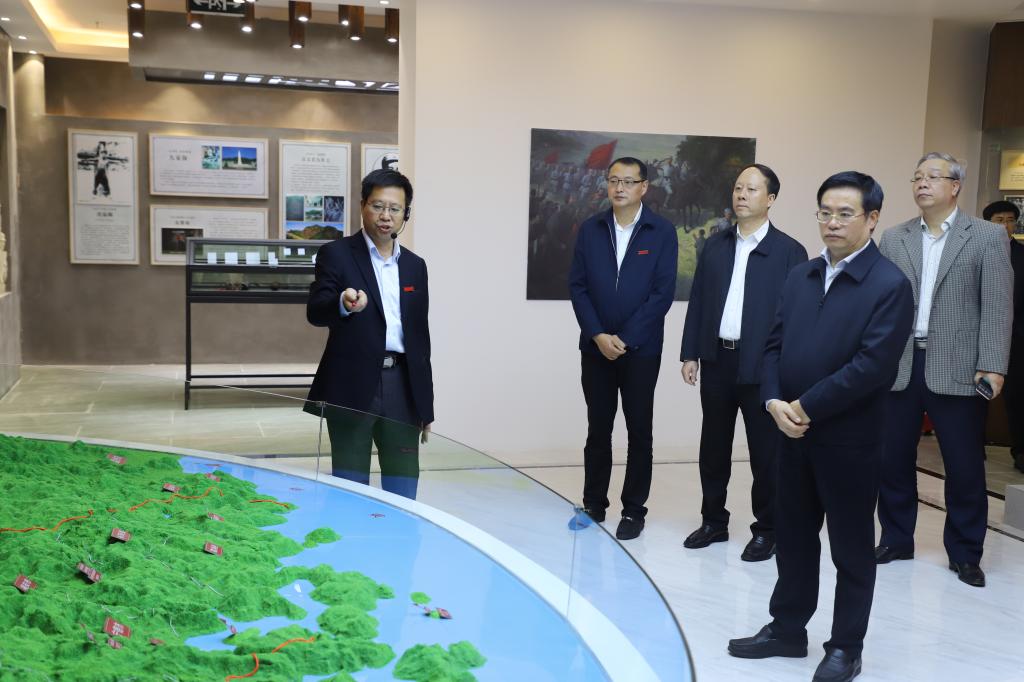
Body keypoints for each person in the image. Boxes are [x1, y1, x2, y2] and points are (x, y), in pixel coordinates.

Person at [728, 171, 913, 682]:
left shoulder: (889, 285)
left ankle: (845, 647)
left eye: (845, 213)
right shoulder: (801, 275)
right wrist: (773, 401)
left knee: (851, 549)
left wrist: (805, 407)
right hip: (791, 434)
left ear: (872, 219)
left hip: (849, 442)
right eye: (825, 212)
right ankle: (787, 629)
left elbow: (872, 366)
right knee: (793, 538)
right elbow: (772, 345)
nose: (832, 222)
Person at [876, 153, 1014, 587]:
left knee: (964, 465)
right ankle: (896, 538)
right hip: (900, 364)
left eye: (932, 176)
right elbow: (880, 305)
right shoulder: (894, 238)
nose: (922, 183)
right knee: (892, 459)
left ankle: (966, 552)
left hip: (959, 366)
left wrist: (992, 365)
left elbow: (997, 306)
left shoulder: (987, 236)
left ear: (955, 186)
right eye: (917, 177)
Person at [679, 164, 807, 561]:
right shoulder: (716, 245)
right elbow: (698, 301)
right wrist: (690, 352)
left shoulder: (790, 252)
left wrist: (787, 369)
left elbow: (797, 317)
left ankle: (767, 530)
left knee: (766, 455)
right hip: (717, 360)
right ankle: (713, 522)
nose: (741, 195)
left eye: (751, 189)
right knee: (713, 448)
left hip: (764, 367)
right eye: (737, 188)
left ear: (770, 199)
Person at [304, 169, 433, 500]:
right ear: (363, 205)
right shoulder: (336, 254)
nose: (386, 216)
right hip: (352, 384)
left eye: (395, 208)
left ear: (406, 214)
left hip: (402, 386)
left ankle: (399, 534)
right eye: (378, 206)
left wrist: (425, 404)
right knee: (350, 487)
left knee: (403, 487)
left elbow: (420, 339)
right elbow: (316, 311)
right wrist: (342, 303)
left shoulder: (415, 266)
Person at [568, 156, 678, 540]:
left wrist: (627, 338)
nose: (620, 188)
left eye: (629, 182)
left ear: (643, 187)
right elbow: (578, 287)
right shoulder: (591, 229)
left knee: (639, 430)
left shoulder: (661, 231)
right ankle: (593, 505)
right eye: (614, 180)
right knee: (598, 429)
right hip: (595, 348)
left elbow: (662, 293)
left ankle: (633, 510)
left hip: (641, 350)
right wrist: (598, 334)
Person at [982, 200, 1024, 473]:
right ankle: (973, 444)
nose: (1005, 225)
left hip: (1017, 338)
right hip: (981, 335)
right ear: (988, 223)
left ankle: (1020, 450)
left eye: (1010, 220)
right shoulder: (977, 251)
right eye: (999, 220)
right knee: (977, 394)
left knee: (1018, 396)